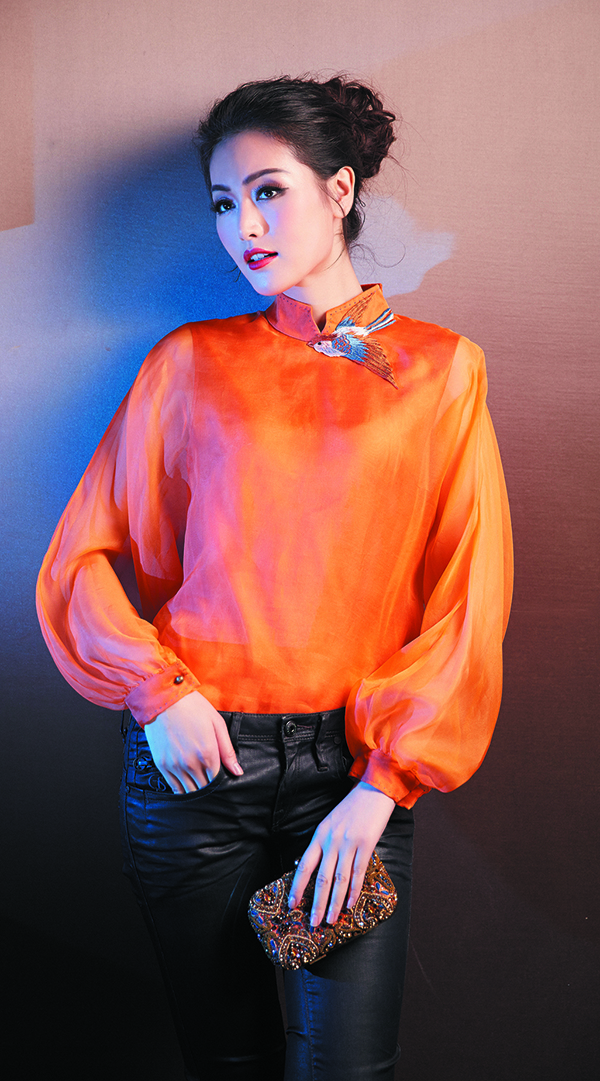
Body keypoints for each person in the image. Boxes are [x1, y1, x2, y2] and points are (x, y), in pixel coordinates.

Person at [36, 75, 513, 1081]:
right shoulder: (187, 363)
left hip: (353, 775)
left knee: (347, 1069)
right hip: (192, 769)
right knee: (231, 1062)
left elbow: (469, 592)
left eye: (267, 191)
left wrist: (383, 785)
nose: (242, 226)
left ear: (339, 190)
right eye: (224, 202)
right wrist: (158, 692)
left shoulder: (444, 370)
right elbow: (81, 557)